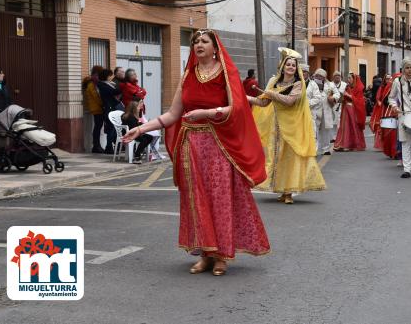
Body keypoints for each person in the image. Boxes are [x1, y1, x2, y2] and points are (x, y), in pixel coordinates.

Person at [123, 29, 270, 276]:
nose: (198, 44)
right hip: (191, 145)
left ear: (215, 47)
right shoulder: (187, 76)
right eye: (195, 42)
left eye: (204, 41)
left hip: (219, 143)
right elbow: (172, 115)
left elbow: (237, 107)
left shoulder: (226, 74)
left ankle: (222, 255)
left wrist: (207, 113)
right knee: (196, 199)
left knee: (220, 197)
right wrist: (141, 129)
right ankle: (205, 253)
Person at [249, 47, 326, 204]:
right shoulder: (274, 82)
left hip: (293, 127)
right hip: (276, 127)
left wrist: (270, 93)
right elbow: (263, 102)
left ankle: (289, 191)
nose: (290, 67)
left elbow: (289, 101)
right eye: (288, 64)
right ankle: (281, 189)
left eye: (293, 65)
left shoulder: (298, 84)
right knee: (277, 157)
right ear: (282, 66)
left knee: (290, 158)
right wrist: (246, 98)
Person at [334, 73, 367, 152]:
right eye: (347, 78)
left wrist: (349, 95)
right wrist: (342, 96)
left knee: (353, 127)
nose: (348, 80)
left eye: (349, 78)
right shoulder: (347, 87)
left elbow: (360, 101)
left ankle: (353, 144)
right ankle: (343, 144)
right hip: (346, 110)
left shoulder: (359, 88)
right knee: (345, 127)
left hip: (354, 111)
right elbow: (343, 98)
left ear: (354, 79)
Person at [96, 69, 123, 154]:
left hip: (113, 106)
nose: (112, 77)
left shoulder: (109, 84)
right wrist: (123, 87)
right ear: (107, 76)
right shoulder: (102, 85)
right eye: (111, 75)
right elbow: (113, 92)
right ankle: (109, 147)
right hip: (109, 108)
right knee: (110, 128)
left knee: (113, 129)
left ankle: (112, 146)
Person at [313, 68, 339, 155]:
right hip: (315, 110)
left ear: (324, 77)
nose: (319, 77)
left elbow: (337, 94)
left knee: (326, 130)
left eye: (321, 76)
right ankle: (314, 149)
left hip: (326, 110)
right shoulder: (311, 84)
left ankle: (326, 149)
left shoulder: (330, 85)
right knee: (314, 130)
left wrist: (333, 97)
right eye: (317, 75)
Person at [121, 100, 153, 164]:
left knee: (150, 137)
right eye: (138, 107)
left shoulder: (131, 115)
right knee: (144, 139)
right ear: (134, 109)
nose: (139, 108)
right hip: (129, 134)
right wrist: (142, 125)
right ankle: (137, 155)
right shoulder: (131, 117)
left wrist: (142, 124)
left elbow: (136, 126)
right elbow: (134, 128)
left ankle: (138, 152)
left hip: (133, 133)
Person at [82, 65, 104, 153]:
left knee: (98, 127)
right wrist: (103, 104)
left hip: (98, 108)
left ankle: (97, 145)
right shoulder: (91, 85)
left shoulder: (94, 84)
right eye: (99, 74)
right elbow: (96, 97)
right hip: (96, 109)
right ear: (95, 74)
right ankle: (96, 146)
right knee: (97, 127)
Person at [301, 64, 322, 150]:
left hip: (310, 112)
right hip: (298, 112)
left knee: (312, 131)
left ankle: (313, 150)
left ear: (308, 73)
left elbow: (317, 98)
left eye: (305, 72)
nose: (303, 73)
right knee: (301, 132)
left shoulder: (313, 84)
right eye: (301, 71)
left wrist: (307, 103)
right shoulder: (296, 83)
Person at [369, 74, 392, 150]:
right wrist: (379, 102)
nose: (388, 80)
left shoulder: (393, 87)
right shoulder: (382, 87)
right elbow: (378, 97)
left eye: (389, 79)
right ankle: (380, 144)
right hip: (382, 109)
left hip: (390, 109)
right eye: (387, 79)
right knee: (381, 126)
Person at [332, 71, 347, 141]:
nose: (337, 77)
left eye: (339, 76)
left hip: (341, 105)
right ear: (333, 77)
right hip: (332, 105)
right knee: (332, 122)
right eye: (336, 76)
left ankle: (340, 137)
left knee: (340, 121)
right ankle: (333, 137)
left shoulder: (344, 85)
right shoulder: (330, 84)